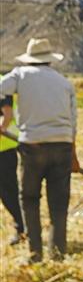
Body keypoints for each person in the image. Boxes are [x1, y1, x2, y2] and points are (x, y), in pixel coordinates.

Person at [0, 38, 79, 263]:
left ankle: (35, 254)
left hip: (33, 146)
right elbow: (73, 123)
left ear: (29, 59)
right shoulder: (65, 83)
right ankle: (58, 255)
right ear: (49, 60)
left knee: (30, 199)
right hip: (62, 146)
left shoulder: (20, 75)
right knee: (59, 203)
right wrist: (73, 157)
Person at [0, 94, 25, 245]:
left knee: (8, 192)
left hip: (4, 148)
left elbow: (7, 115)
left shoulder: (2, 86)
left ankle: (22, 228)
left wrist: (2, 127)